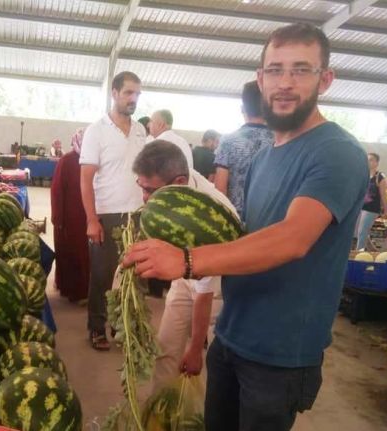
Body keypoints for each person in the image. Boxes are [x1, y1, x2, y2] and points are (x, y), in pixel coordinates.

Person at [123, 23, 368, 431]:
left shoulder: (337, 154)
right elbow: (244, 238)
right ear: (260, 78)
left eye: (300, 70)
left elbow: (292, 239)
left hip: (279, 352)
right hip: (233, 335)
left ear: (325, 79)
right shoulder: (264, 159)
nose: (285, 83)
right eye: (275, 70)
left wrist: (186, 260)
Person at [132, 140, 240, 391]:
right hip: (184, 272)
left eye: (150, 190)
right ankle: (160, 414)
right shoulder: (176, 185)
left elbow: (205, 291)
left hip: (217, 285)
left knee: (209, 365)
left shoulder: (210, 214)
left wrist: (194, 349)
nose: (145, 197)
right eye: (142, 187)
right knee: (166, 348)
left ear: (179, 183)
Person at [79, 71, 146, 351]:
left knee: (134, 275)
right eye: (129, 93)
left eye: (137, 94)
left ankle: (126, 329)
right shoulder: (97, 130)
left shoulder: (142, 131)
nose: (134, 99)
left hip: (137, 215)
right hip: (107, 215)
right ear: (115, 93)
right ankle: (97, 327)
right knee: (103, 275)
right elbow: (85, 178)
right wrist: (92, 220)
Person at [214, 81, 275, 217]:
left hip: (235, 219)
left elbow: (220, 190)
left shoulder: (228, 141)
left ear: (243, 108)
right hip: (269, 221)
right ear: (269, 107)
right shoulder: (280, 141)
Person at [51, 129, 89, 303]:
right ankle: (71, 290)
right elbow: (57, 191)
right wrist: (57, 218)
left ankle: (86, 290)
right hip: (70, 217)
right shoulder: (67, 160)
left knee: (87, 254)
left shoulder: (95, 160)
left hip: (89, 216)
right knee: (70, 252)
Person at [355, 153, 387, 250]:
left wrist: (386, 210)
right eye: (367, 159)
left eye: (371, 160)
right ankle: (373, 250)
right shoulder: (363, 175)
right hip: (360, 207)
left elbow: (383, 195)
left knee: (362, 232)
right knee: (359, 232)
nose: (368, 162)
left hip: (372, 209)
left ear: (377, 163)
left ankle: (358, 255)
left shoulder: (380, 177)